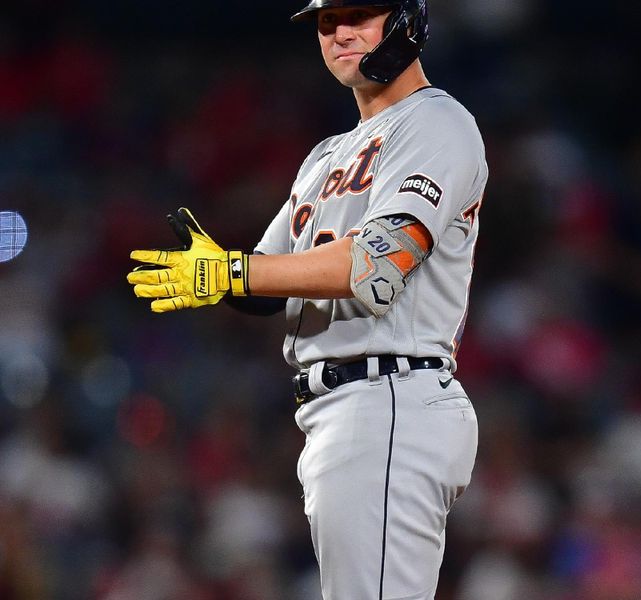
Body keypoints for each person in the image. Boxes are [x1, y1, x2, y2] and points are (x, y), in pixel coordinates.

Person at [126, 0, 488, 597]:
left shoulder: (436, 123)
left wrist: (232, 273)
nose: (341, 32)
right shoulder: (325, 157)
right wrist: (217, 270)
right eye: (326, 21)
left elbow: (378, 263)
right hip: (343, 410)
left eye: (360, 14)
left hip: (390, 395)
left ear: (407, 19)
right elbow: (266, 285)